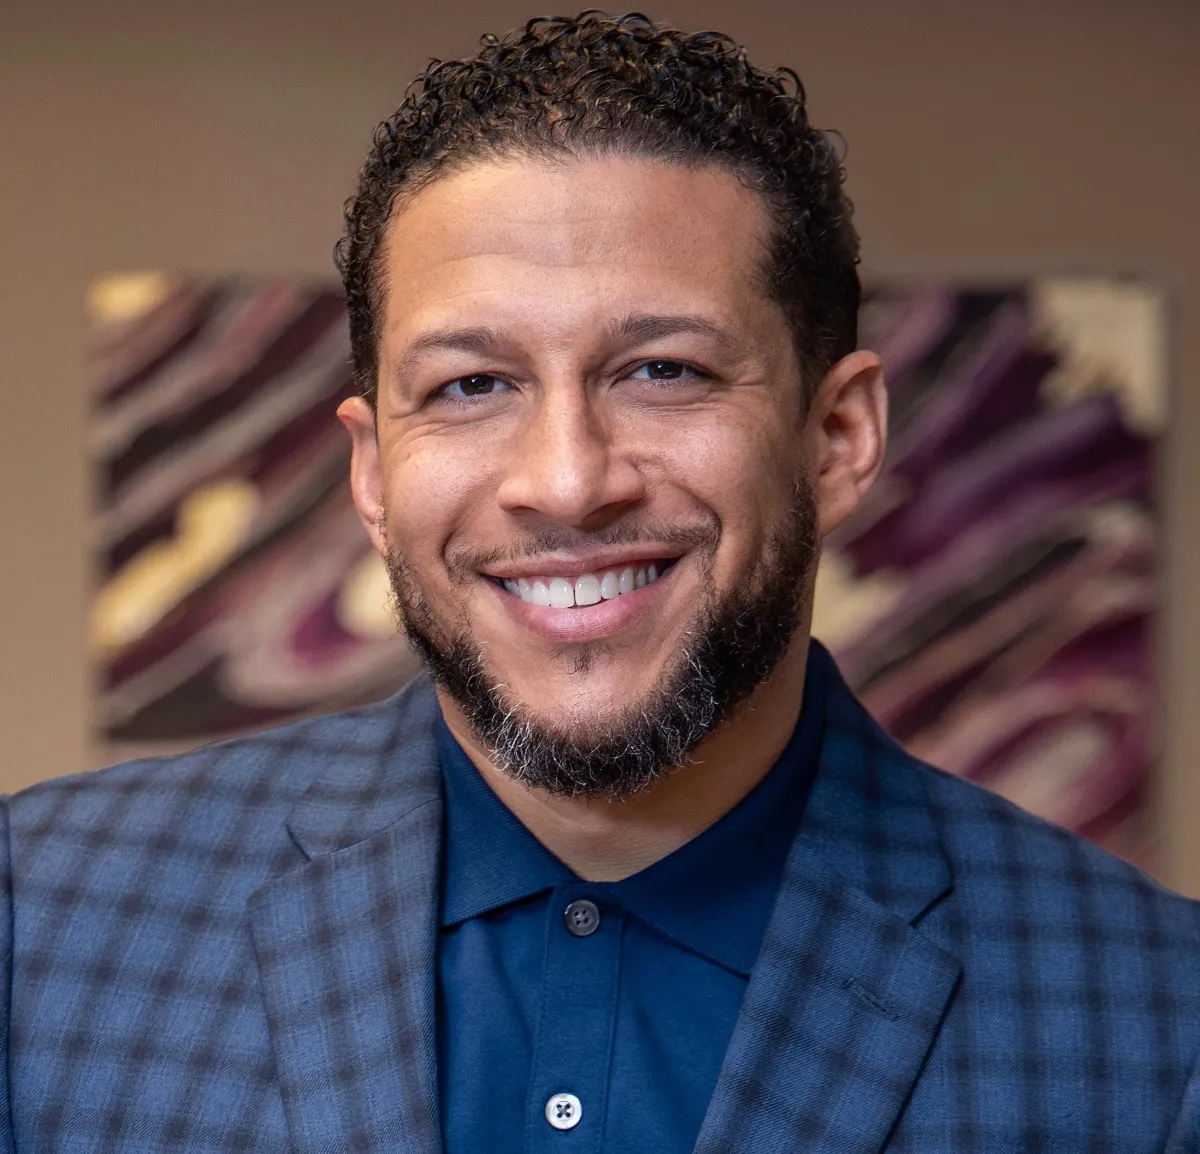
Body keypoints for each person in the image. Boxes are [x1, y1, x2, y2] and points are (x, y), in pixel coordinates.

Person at [3, 11, 1199, 1152]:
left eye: (663, 369)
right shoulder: (39, 922)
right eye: (472, 385)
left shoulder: (1159, 1025)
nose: (567, 483)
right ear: (372, 472)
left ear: (836, 438)